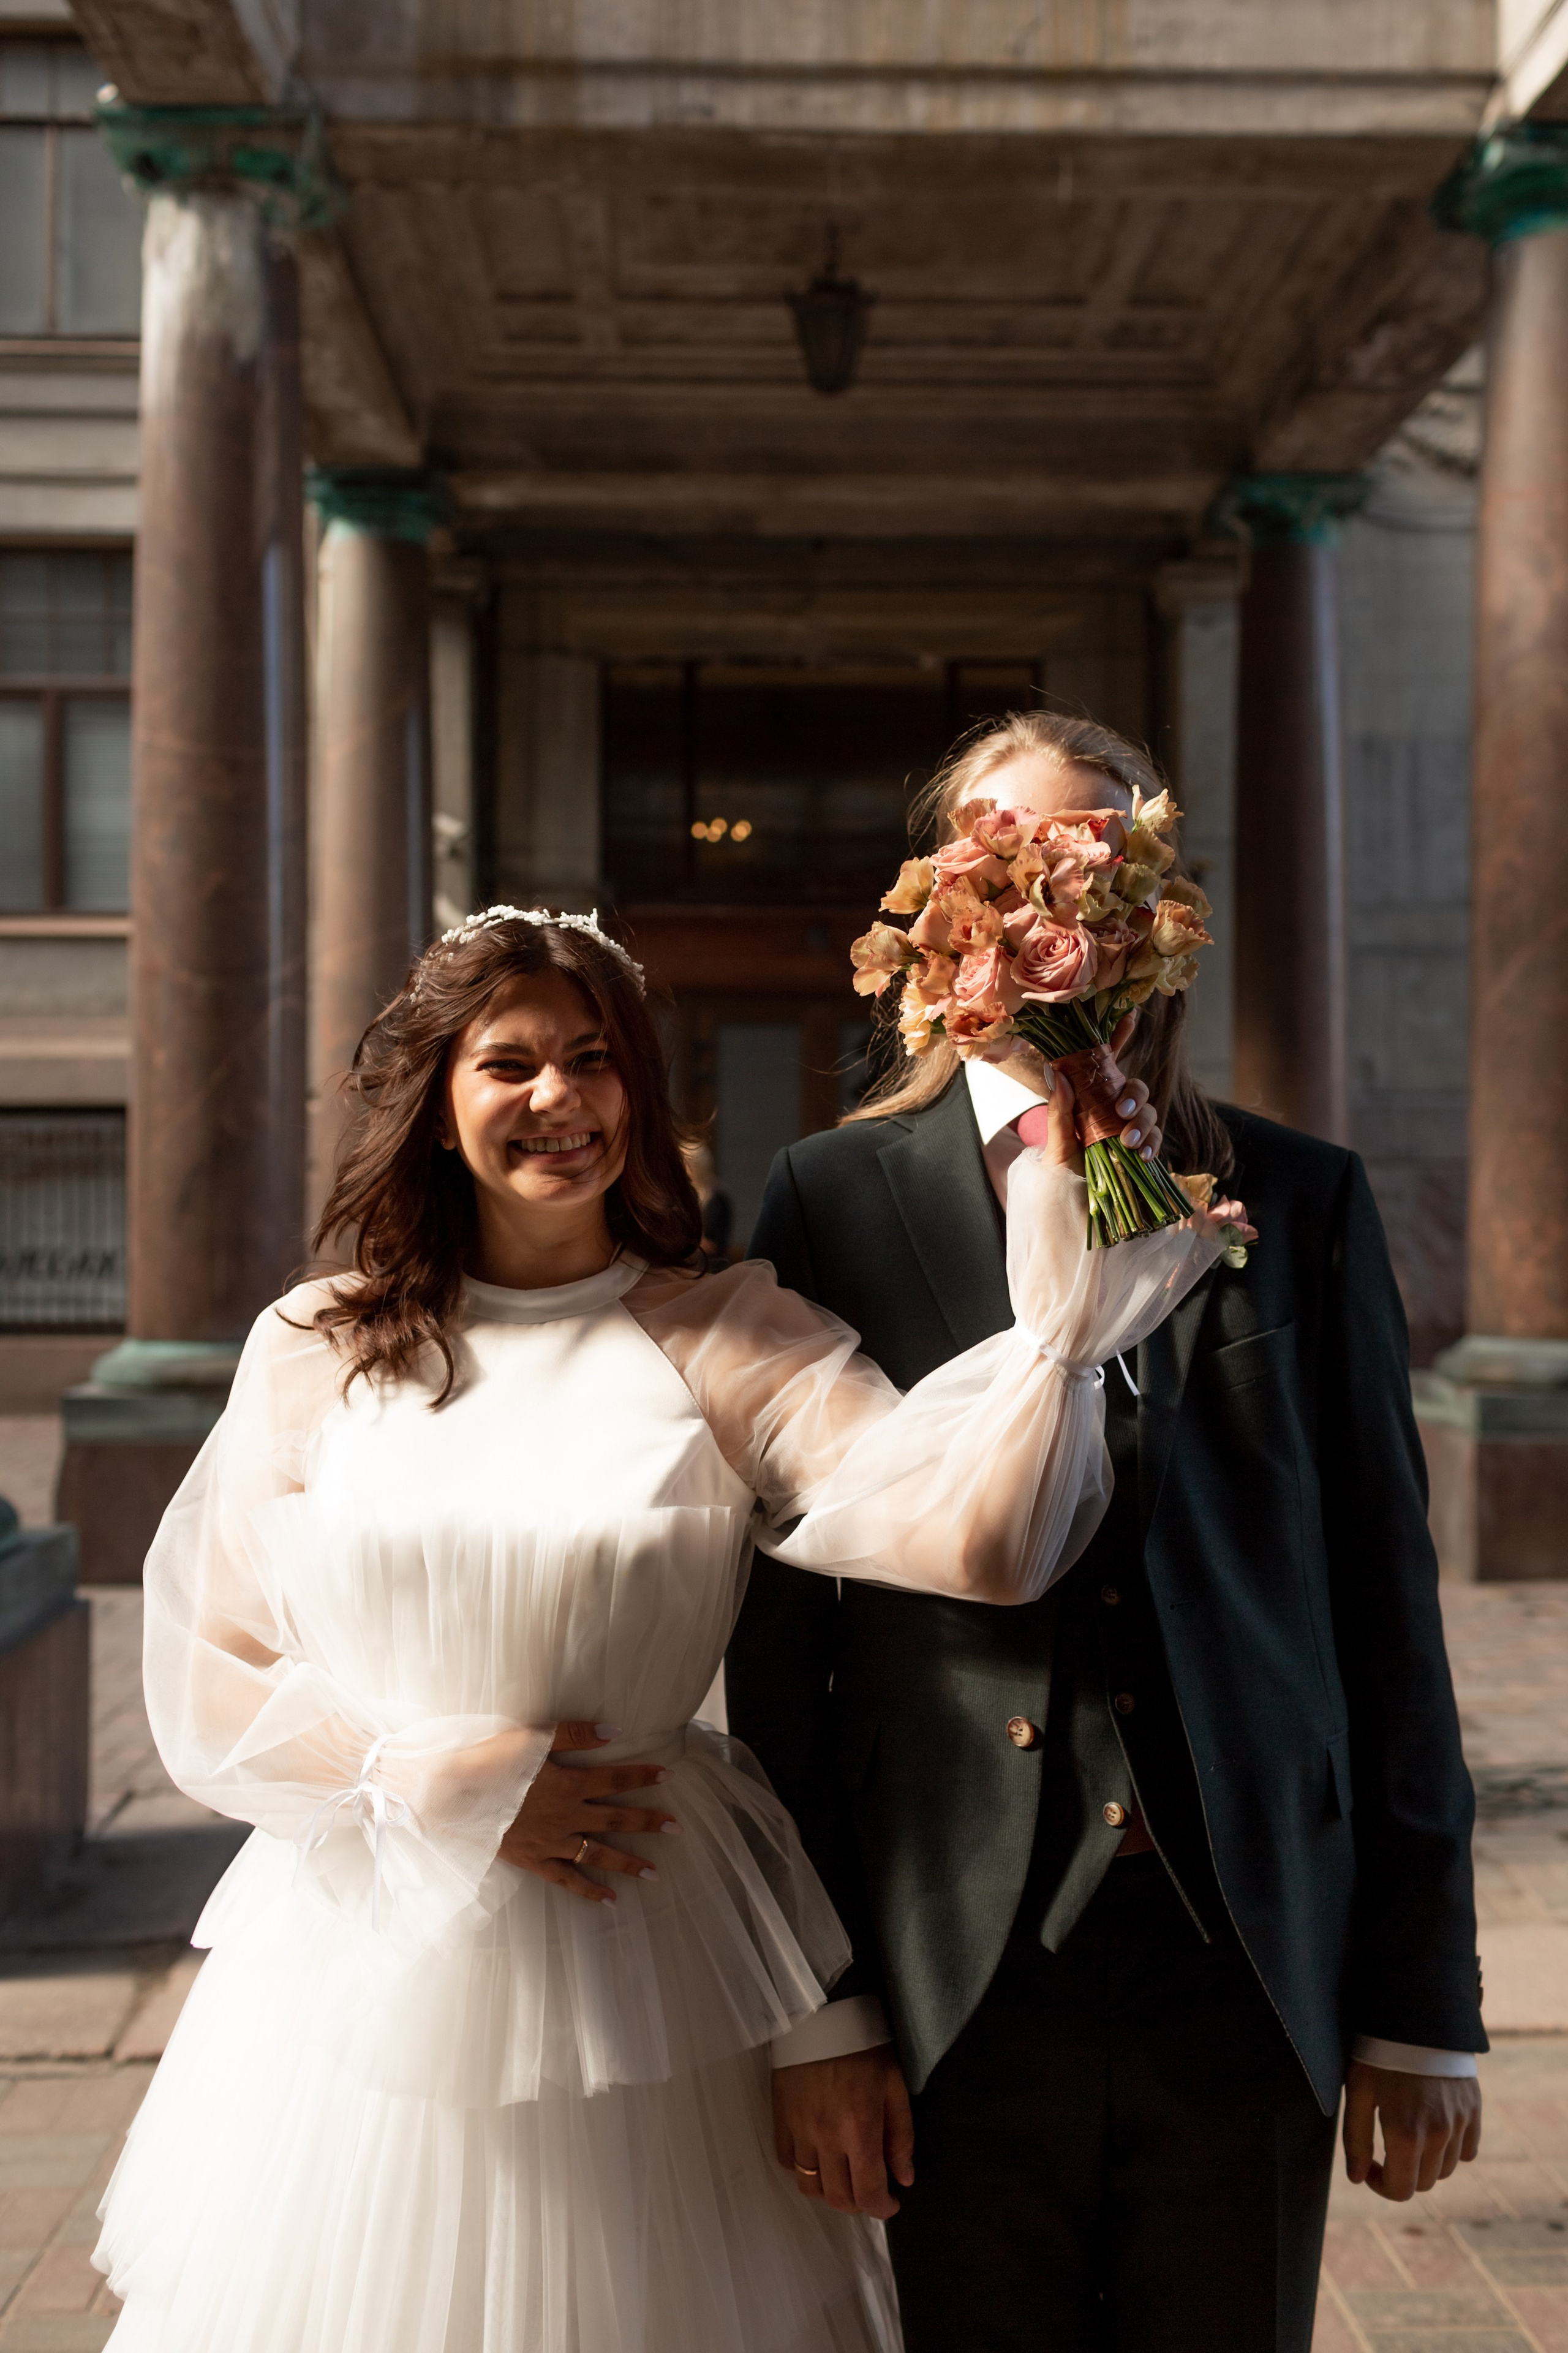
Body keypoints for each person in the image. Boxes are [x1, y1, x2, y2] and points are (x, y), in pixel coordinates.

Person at [90, 902, 1243, 2353]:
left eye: (593, 1059)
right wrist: (430, 1780)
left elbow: (980, 1540)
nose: (557, 1098)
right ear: (440, 1106)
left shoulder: (726, 1332)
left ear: (638, 1091)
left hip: (643, 1951)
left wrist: (1065, 1312)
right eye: (507, 1063)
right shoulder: (319, 1342)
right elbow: (211, 1662)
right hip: (366, 1958)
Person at [729, 709, 1485, 2353]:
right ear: (937, 912)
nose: (1044, 898)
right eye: (1002, 858)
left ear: (1149, 909)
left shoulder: (1303, 1197)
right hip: (946, 1976)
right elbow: (780, 1658)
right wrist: (819, 2013)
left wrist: (1424, 2007)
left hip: (1248, 1963)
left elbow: (1382, 1612)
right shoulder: (825, 1206)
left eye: (1092, 858)